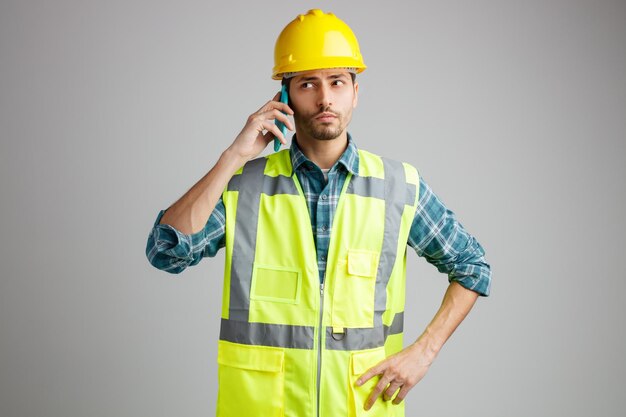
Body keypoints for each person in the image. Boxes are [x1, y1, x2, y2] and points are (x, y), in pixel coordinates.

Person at [145, 9, 491, 417]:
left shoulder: (400, 187)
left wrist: (423, 353)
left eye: (337, 82)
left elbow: (472, 266)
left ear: (355, 92)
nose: (325, 98)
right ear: (284, 97)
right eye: (308, 83)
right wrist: (233, 157)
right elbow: (166, 252)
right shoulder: (243, 186)